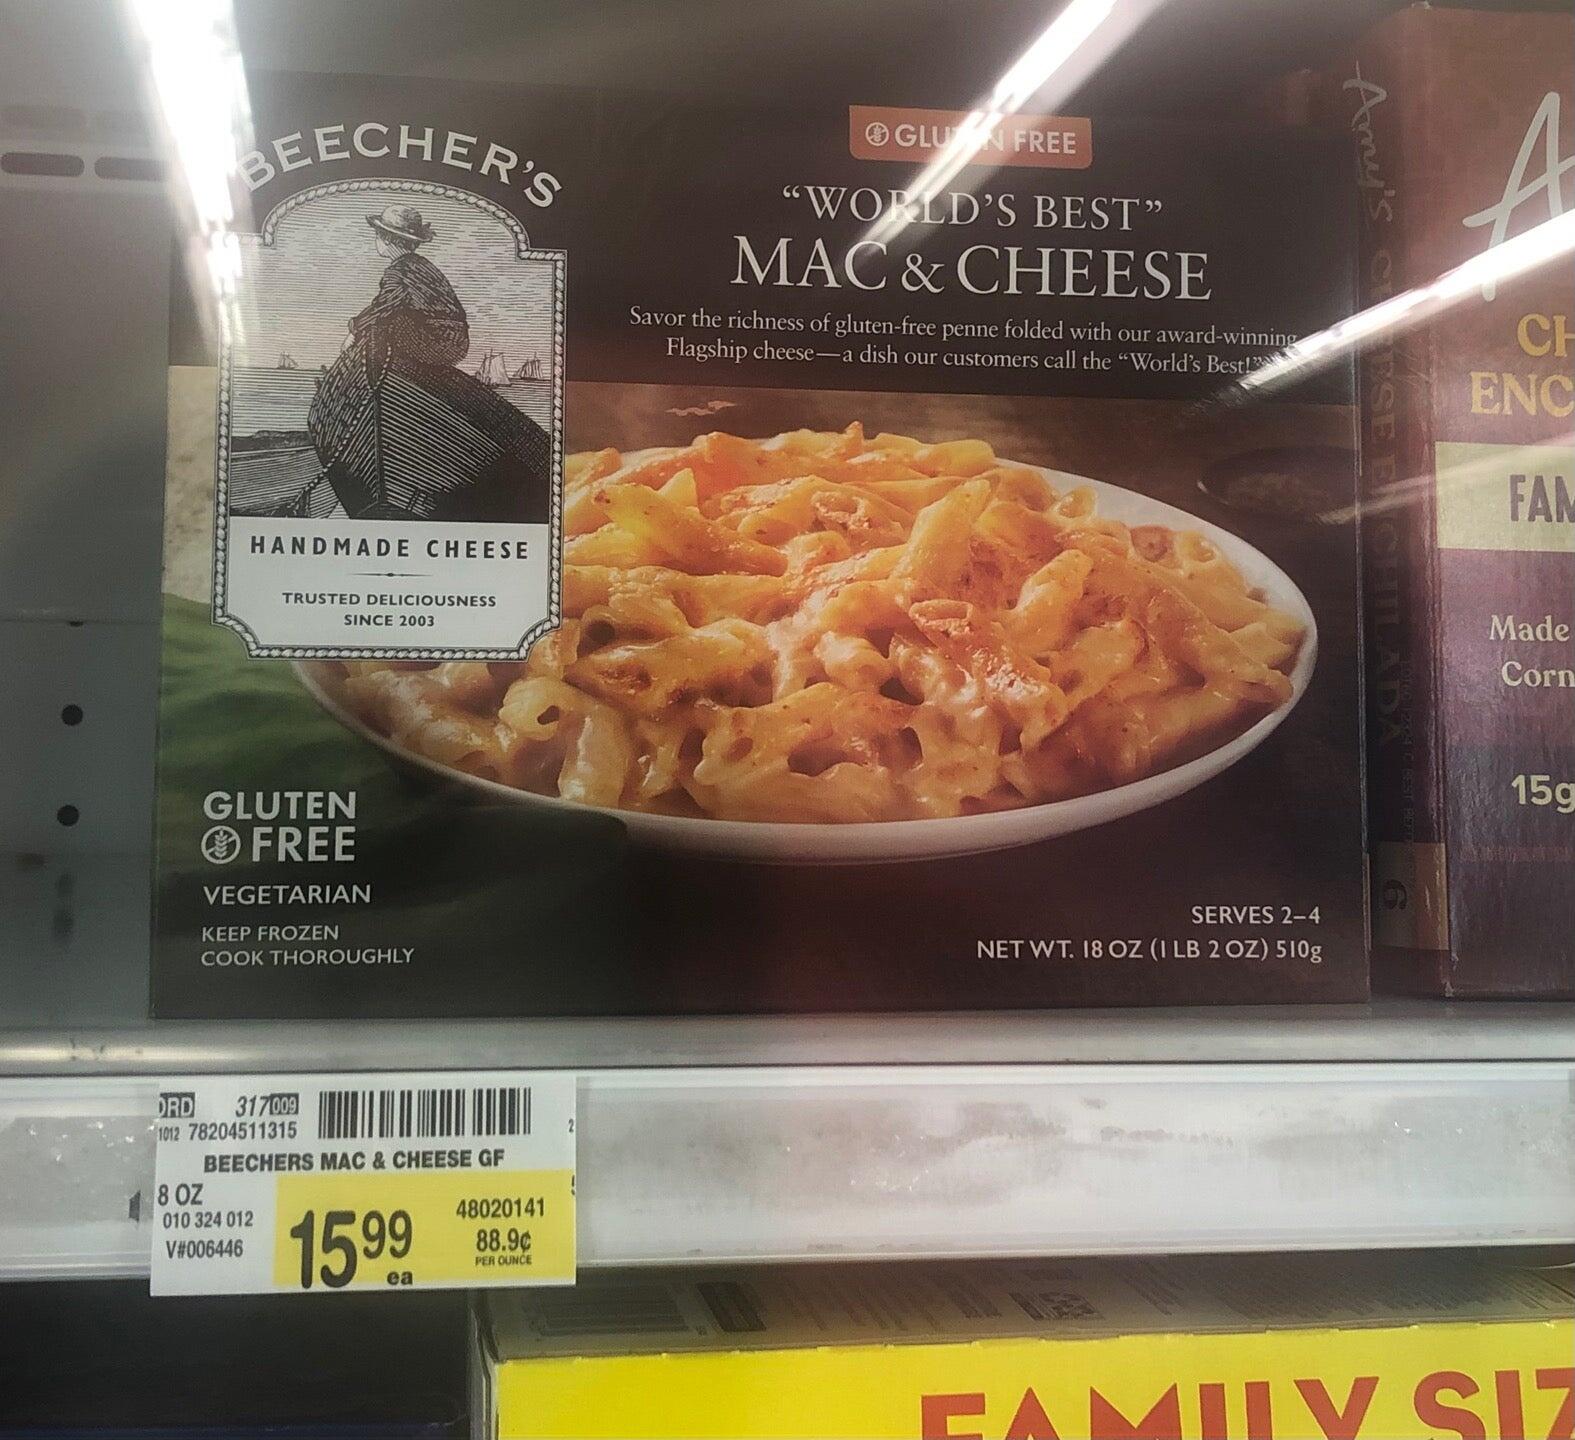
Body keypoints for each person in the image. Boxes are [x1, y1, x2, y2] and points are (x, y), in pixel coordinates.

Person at [303, 203, 551, 523]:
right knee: (385, 325)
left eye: (379, 236)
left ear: (387, 239)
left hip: (431, 341)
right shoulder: (422, 266)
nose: (377, 241)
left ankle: (378, 374)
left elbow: (384, 306)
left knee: (380, 326)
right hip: (450, 343)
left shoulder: (398, 271)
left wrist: (353, 331)